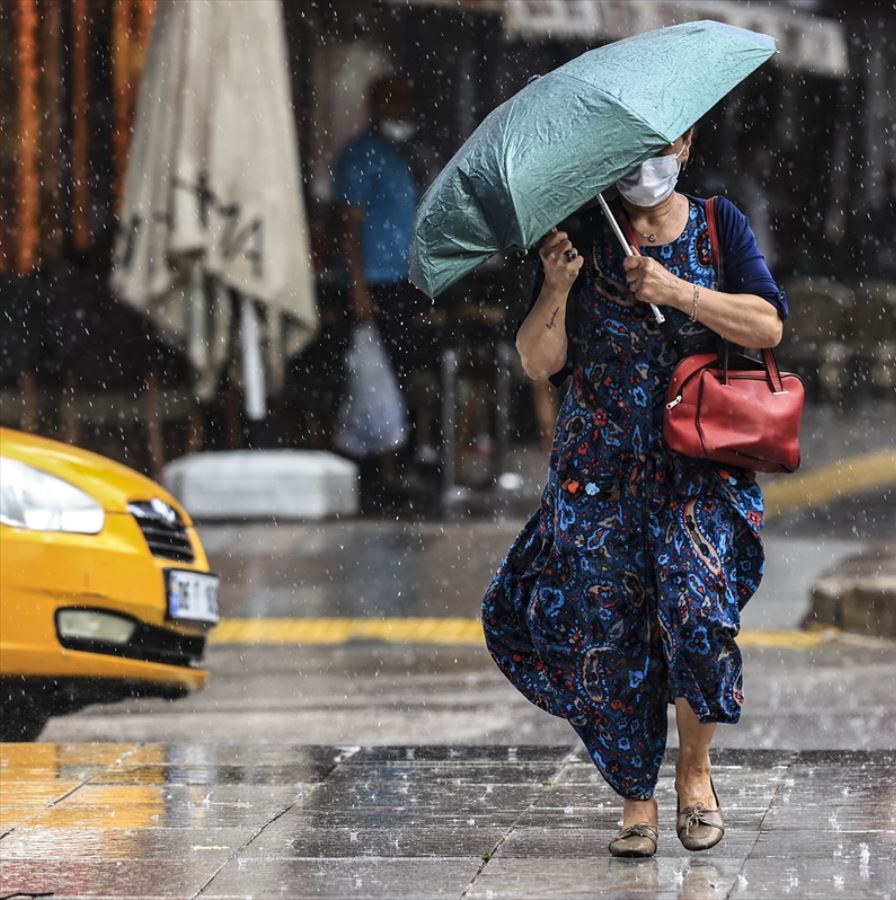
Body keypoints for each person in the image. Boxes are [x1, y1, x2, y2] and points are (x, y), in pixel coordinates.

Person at [481, 126, 788, 858]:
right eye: (626, 151)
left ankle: (694, 772)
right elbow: (536, 360)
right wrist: (556, 284)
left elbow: (767, 324)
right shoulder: (584, 232)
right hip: (600, 467)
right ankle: (633, 802)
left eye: (660, 148)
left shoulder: (719, 224)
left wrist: (677, 291)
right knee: (608, 634)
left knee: (698, 611)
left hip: (696, 461)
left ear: (683, 148)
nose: (642, 166)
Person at [333, 73, 439, 511]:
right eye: (394, 104)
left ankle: (402, 464)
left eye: (407, 104)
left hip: (402, 280)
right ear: (375, 107)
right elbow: (348, 226)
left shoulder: (404, 156)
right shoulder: (360, 156)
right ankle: (380, 474)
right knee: (378, 379)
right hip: (374, 283)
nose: (403, 113)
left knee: (403, 374)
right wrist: (358, 291)